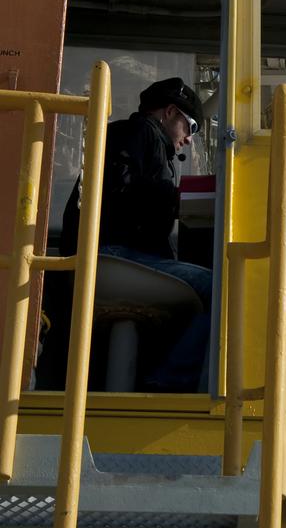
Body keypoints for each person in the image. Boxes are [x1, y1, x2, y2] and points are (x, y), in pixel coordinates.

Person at [60, 76, 212, 391]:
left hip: (111, 252)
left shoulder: (140, 140)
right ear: (170, 112)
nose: (189, 139)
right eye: (192, 126)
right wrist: (180, 197)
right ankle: (171, 381)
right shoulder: (137, 133)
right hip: (112, 253)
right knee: (218, 287)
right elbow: (125, 194)